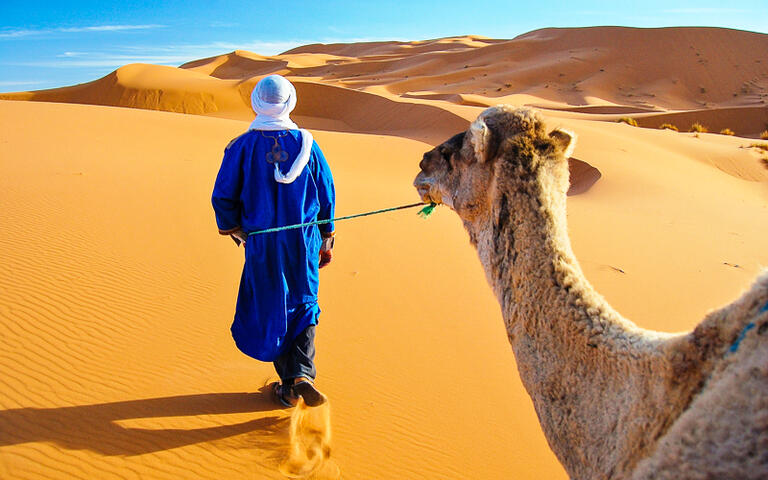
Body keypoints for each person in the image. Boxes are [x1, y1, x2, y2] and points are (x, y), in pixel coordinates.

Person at [211, 74, 335, 407]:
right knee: (304, 302)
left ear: (256, 102)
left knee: (274, 304)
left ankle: (290, 385)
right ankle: (300, 376)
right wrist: (327, 238)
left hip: (263, 245)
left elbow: (223, 197)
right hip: (303, 242)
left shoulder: (240, 147)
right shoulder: (308, 143)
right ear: (289, 101)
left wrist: (237, 231)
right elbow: (326, 192)